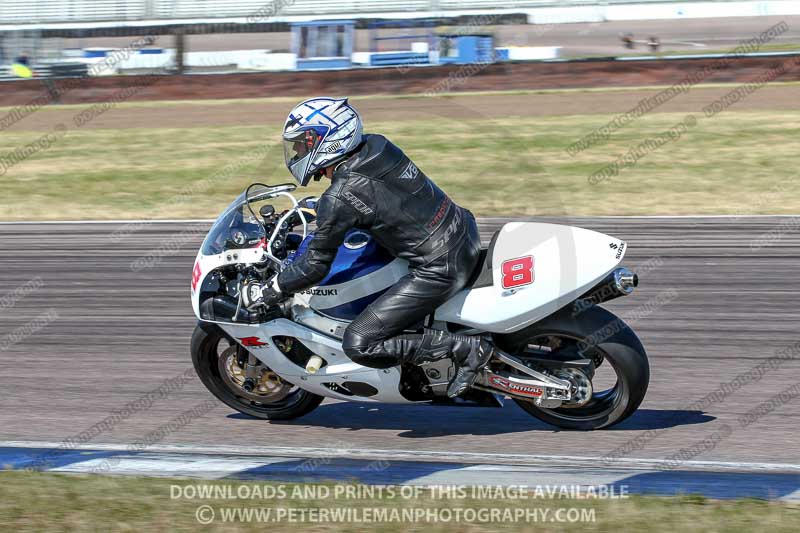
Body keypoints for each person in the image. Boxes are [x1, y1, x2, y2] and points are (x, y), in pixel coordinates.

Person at [243, 97, 493, 398]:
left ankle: (465, 349)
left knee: (360, 342)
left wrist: (272, 290)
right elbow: (379, 195)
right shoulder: (376, 146)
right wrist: (316, 209)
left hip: (440, 266)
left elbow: (314, 265)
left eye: (304, 143)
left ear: (329, 139)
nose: (298, 151)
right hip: (462, 229)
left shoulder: (342, 195)